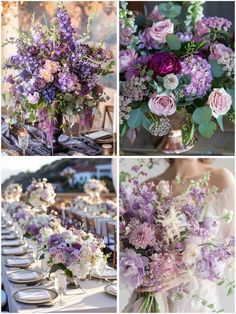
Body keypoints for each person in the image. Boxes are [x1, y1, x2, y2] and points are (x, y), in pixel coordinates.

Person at [121, 158, 235, 313]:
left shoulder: (219, 178)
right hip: (153, 297)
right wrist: (144, 271)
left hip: (195, 299)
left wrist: (184, 273)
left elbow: (230, 247)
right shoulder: (148, 187)